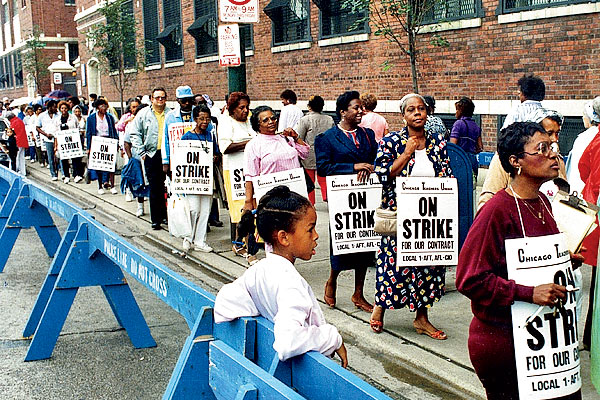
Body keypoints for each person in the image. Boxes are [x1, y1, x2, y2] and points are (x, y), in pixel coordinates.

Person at [456, 121, 583, 400]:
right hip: (503, 344)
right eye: (542, 148)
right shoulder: (496, 211)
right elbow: (469, 279)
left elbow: (528, 260)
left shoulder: (543, 203)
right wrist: (527, 293)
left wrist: (561, 262)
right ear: (515, 162)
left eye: (552, 147)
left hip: (543, 342)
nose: (553, 154)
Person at [214, 186, 348, 368]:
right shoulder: (291, 285)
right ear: (284, 238)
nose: (316, 236)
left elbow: (223, 304)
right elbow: (288, 343)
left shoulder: (259, 270)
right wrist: (332, 338)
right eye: (310, 229)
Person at [369, 93, 452, 339]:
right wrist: (406, 153)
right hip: (399, 216)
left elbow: (445, 173)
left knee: (429, 266)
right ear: (403, 115)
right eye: (411, 110)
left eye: (421, 109)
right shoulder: (391, 141)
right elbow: (382, 174)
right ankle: (378, 312)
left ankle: (422, 319)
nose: (417, 113)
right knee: (393, 266)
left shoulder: (438, 141)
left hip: (429, 218)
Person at [315, 91, 377, 314]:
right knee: (342, 244)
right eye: (355, 108)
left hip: (366, 198)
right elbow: (323, 167)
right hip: (343, 200)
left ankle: (358, 293)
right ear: (343, 112)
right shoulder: (327, 138)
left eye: (361, 108)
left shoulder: (368, 136)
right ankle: (332, 280)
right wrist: (353, 167)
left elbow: (375, 160)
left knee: (365, 244)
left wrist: (371, 167)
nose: (360, 111)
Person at [243, 105, 310, 261]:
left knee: (291, 229)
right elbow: (250, 175)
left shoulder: (285, 138)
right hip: (271, 196)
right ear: (257, 125)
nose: (271, 122)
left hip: (293, 193)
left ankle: (288, 263)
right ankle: (274, 264)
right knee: (274, 232)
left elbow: (305, 153)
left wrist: (295, 136)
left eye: (273, 118)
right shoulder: (254, 145)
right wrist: (248, 201)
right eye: (265, 120)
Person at [478, 108, 566, 209]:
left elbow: (563, 198)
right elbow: (488, 199)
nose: (555, 139)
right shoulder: (505, 158)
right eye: (549, 133)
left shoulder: (557, 160)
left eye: (557, 133)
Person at [171, 105, 217, 253]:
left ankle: (200, 241)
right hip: (192, 180)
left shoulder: (210, 135)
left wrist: (214, 156)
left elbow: (216, 153)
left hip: (206, 178)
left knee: (205, 211)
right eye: (201, 118)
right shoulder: (187, 136)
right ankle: (187, 237)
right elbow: (181, 158)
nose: (205, 121)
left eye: (207, 118)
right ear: (195, 119)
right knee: (193, 209)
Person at [217, 92, 255, 255]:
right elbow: (225, 147)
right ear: (232, 109)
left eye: (247, 107)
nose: (245, 111)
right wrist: (250, 143)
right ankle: (239, 243)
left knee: (253, 207)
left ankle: (251, 242)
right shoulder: (226, 122)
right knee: (241, 209)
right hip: (235, 172)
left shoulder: (249, 122)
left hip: (251, 172)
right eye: (241, 108)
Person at [130, 87, 171, 230]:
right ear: (152, 99)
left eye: (163, 97)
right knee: (155, 187)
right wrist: (141, 152)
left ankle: (167, 216)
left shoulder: (170, 114)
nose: (160, 100)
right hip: (151, 154)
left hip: (168, 154)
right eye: (157, 97)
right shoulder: (143, 114)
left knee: (168, 187)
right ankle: (156, 219)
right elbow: (134, 133)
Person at [290, 95, 333, 205]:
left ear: (309, 106)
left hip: (309, 155)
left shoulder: (305, 120)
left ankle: (311, 202)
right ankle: (328, 197)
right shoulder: (329, 119)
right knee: (324, 178)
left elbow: (299, 137)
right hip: (326, 154)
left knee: (310, 180)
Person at [566, 97, 600, 195]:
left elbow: (582, 167)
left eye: (584, 115)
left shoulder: (586, 138)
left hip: (589, 193)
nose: (582, 118)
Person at [86, 98, 119, 194]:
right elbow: (89, 133)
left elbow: (113, 130)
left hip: (109, 140)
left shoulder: (109, 117)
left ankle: (112, 185)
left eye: (105, 106)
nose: (104, 108)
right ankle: (100, 186)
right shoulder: (91, 118)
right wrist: (89, 147)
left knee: (111, 164)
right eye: (102, 106)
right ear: (97, 108)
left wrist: (116, 142)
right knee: (100, 165)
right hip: (97, 142)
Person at [122, 103, 149, 217]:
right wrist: (130, 158)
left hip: (151, 158)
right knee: (139, 184)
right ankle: (140, 207)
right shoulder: (133, 126)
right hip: (137, 159)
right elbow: (126, 142)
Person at [162, 85, 195, 173]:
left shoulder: (200, 112)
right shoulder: (170, 116)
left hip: (197, 158)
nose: (187, 103)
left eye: (189, 100)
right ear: (178, 100)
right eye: (184, 101)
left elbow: (211, 133)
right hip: (177, 158)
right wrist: (166, 161)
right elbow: (165, 139)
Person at [450, 97, 482, 178]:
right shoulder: (475, 126)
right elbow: (480, 147)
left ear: (461, 111)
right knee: (471, 186)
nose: (455, 113)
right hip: (472, 160)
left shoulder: (458, 124)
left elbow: (452, 145)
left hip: (459, 160)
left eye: (457, 110)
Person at [117, 98, 141, 201]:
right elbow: (118, 127)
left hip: (139, 150)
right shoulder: (126, 117)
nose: (135, 109)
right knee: (129, 170)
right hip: (128, 149)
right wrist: (127, 121)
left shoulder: (141, 116)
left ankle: (139, 191)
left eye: (137, 106)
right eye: (133, 107)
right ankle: (128, 191)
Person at [55, 101, 84, 183]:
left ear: (68, 109)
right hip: (62, 143)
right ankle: (67, 175)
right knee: (64, 159)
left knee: (75, 158)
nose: (64, 110)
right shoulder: (57, 120)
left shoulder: (73, 118)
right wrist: (56, 145)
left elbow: (77, 128)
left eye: (65, 108)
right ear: (60, 109)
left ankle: (76, 175)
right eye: (62, 108)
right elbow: (56, 133)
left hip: (72, 141)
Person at [36, 100, 60, 181]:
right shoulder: (42, 116)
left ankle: (62, 172)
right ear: (49, 107)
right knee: (50, 157)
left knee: (59, 156)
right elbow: (37, 127)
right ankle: (53, 174)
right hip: (48, 138)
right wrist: (46, 134)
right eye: (54, 107)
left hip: (58, 138)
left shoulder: (58, 115)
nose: (55, 108)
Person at [7, 111, 28, 176]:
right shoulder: (19, 121)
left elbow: (14, 134)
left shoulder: (14, 123)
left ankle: (16, 171)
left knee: (16, 157)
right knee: (21, 157)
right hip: (23, 141)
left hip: (17, 142)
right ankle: (23, 172)